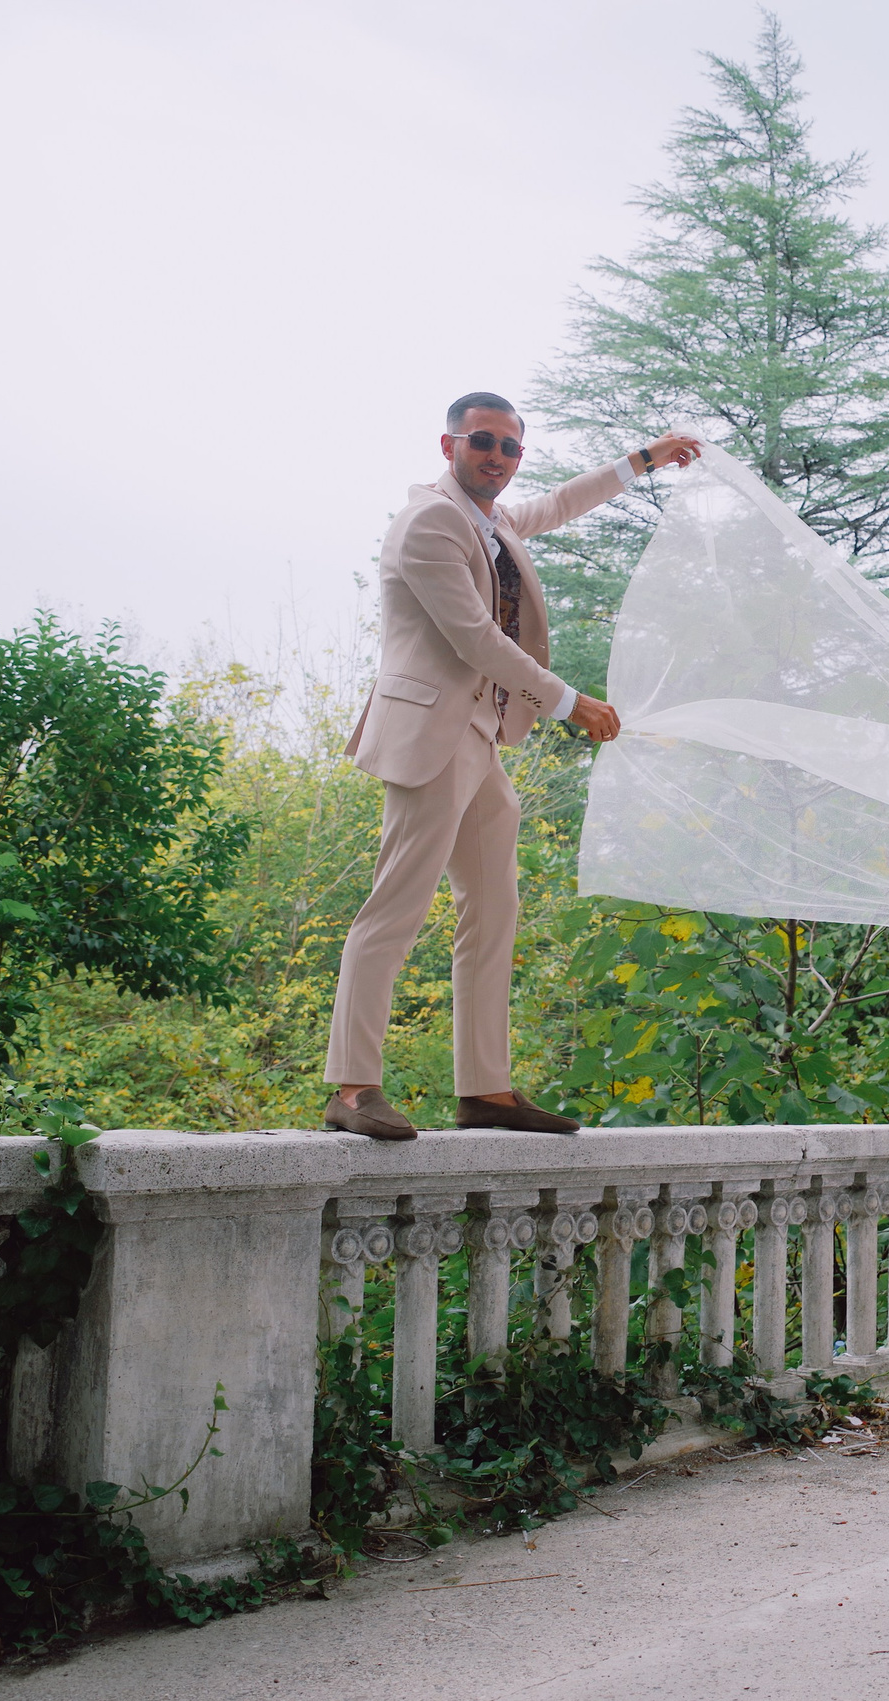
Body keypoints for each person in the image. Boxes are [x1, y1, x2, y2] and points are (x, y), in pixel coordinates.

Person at [321, 392, 702, 1141]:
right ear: (449, 443)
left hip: (480, 737)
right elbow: (475, 640)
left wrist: (647, 458)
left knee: (493, 910)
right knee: (394, 910)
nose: (497, 457)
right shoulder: (431, 521)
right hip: (432, 730)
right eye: (483, 442)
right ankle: (353, 1086)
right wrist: (570, 703)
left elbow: (560, 504)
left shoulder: (489, 519)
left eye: (510, 448)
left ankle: (484, 1090)